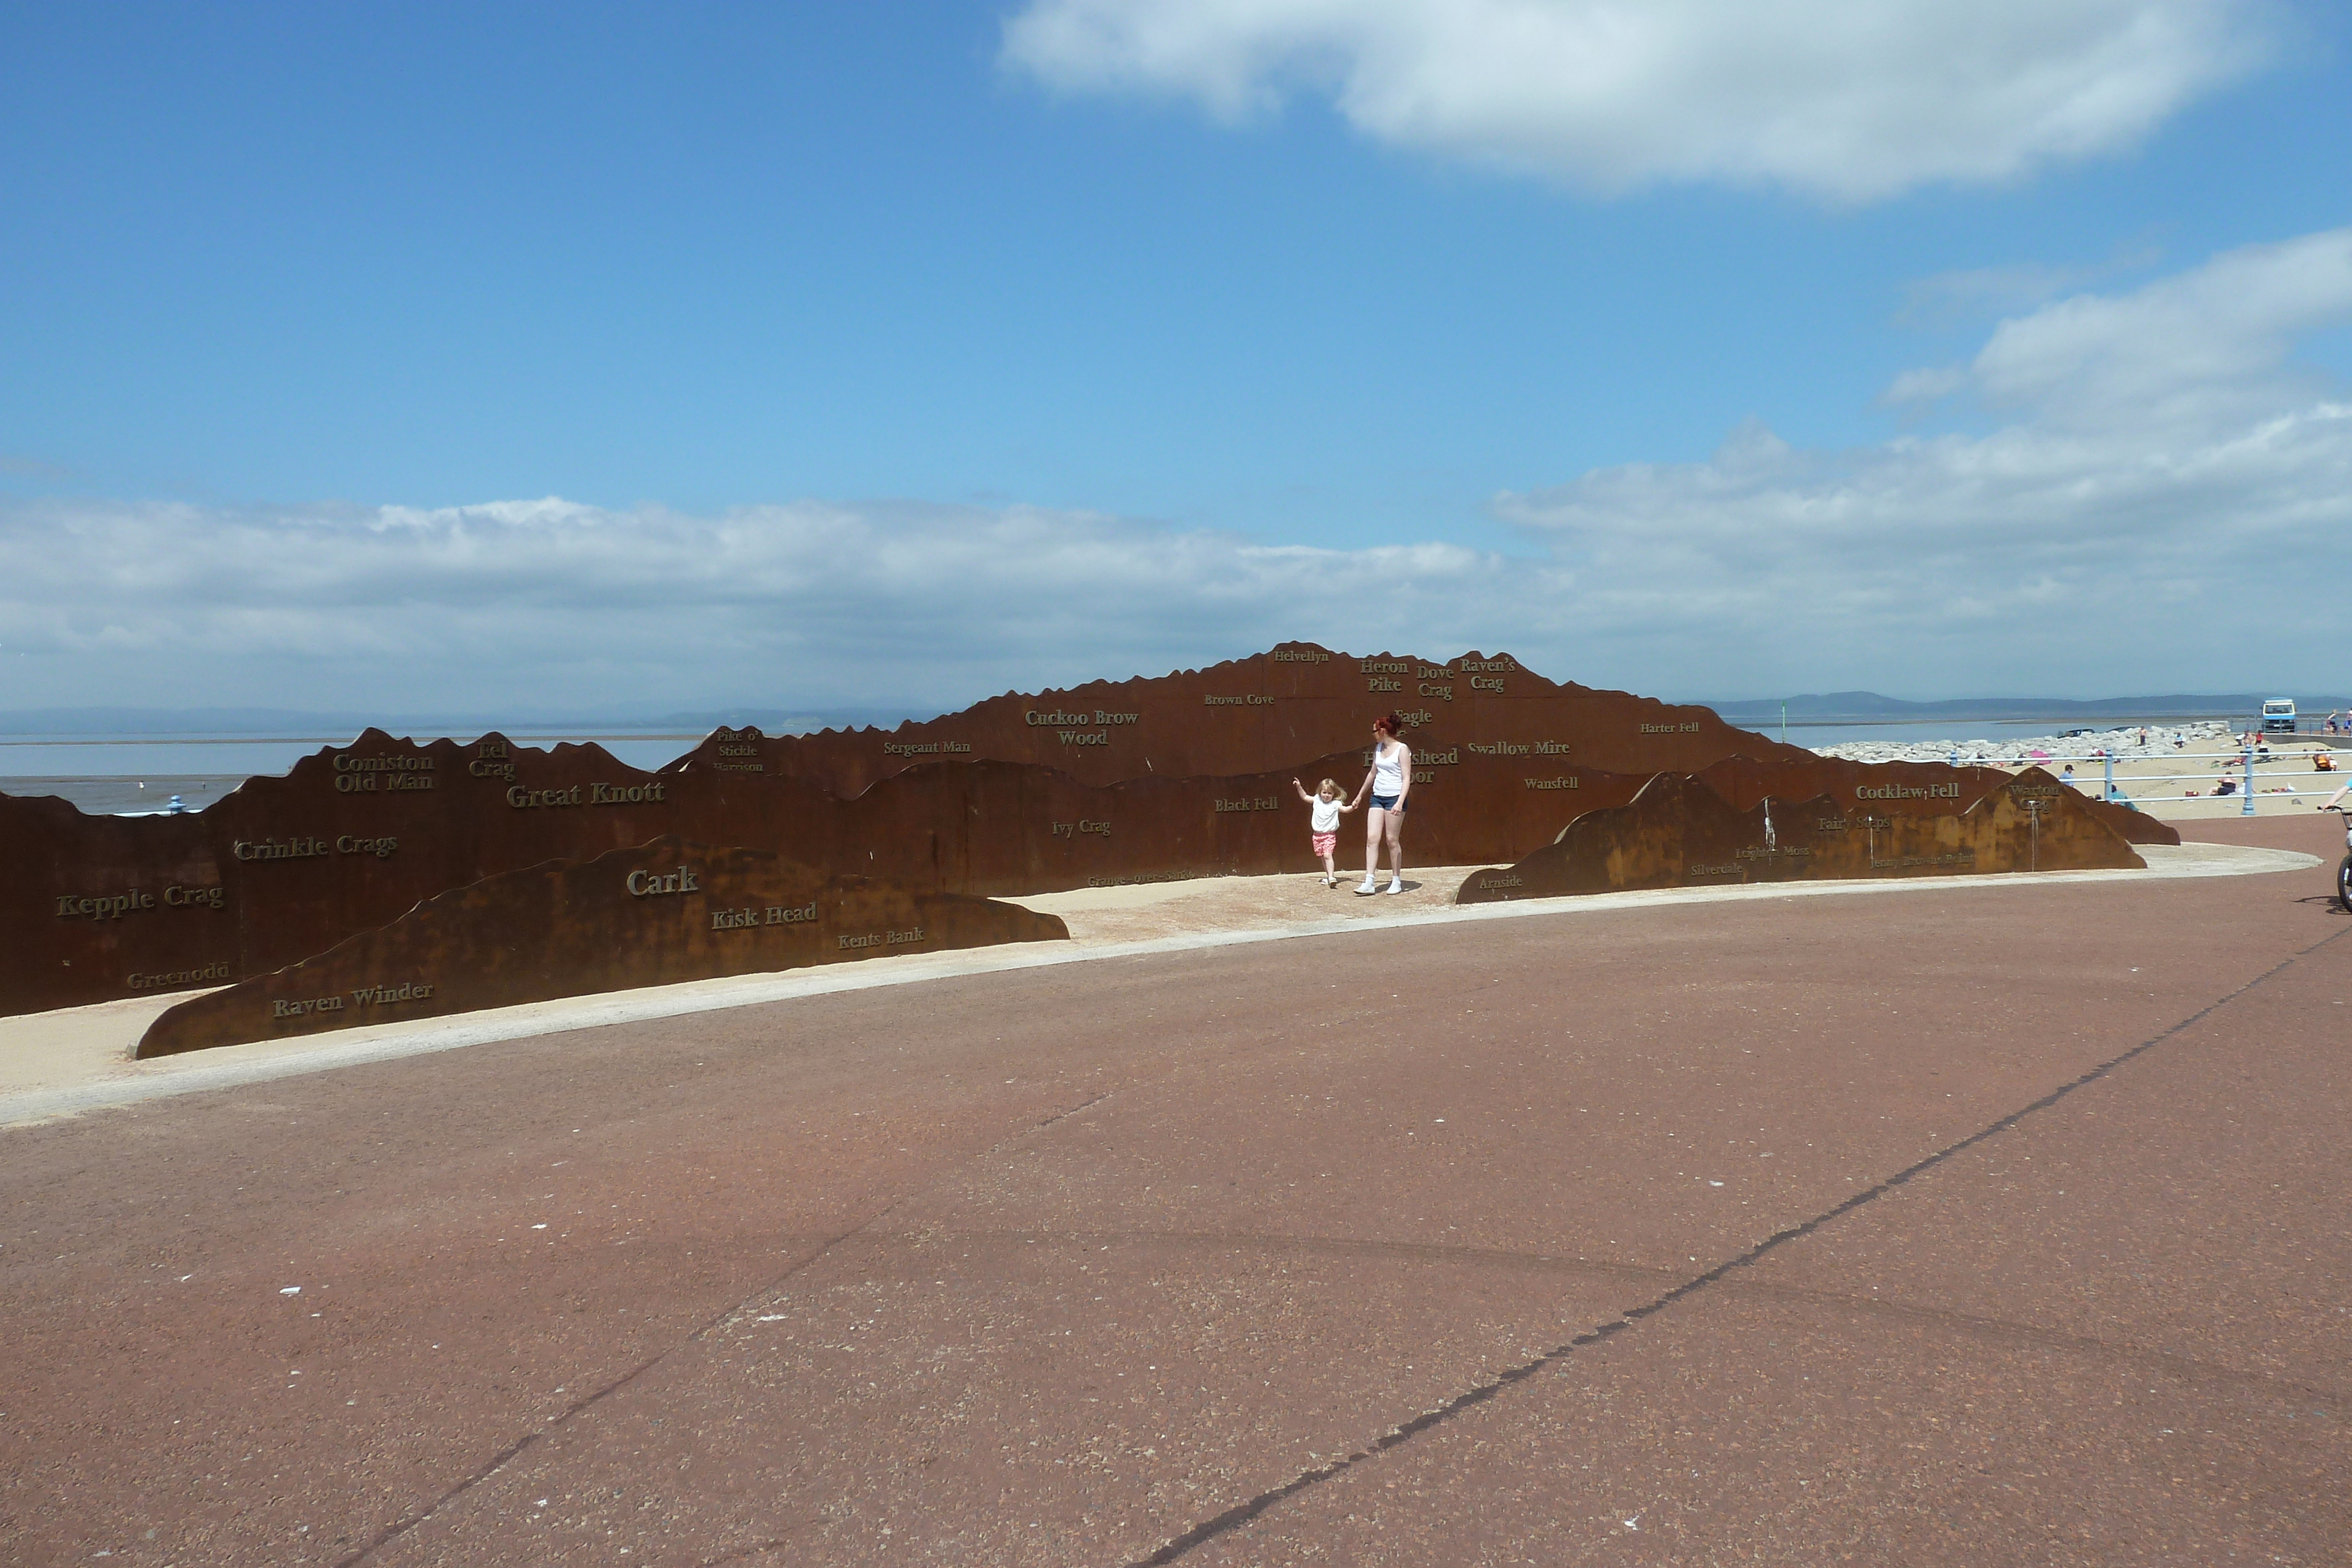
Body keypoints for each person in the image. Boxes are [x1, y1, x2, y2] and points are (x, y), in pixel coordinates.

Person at [1351, 713, 1412, 895]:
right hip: (1378, 796)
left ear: (1383, 731)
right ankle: (1369, 881)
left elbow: (1406, 777)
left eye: (1375, 731)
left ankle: (1396, 880)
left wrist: (1400, 802)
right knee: (1372, 838)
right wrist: (1360, 795)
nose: (1373, 734)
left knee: (1392, 840)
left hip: (1395, 797)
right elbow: (1372, 773)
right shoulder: (1378, 748)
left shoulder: (1402, 749)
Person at [1291, 775, 1357, 887]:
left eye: (1330, 793)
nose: (1326, 796)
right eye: (1324, 793)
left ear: (1334, 794)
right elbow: (1305, 797)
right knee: (1322, 856)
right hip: (1317, 835)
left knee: (1327, 855)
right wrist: (1299, 787)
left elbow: (1345, 810)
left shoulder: (1336, 804)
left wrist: (1353, 807)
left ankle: (1331, 877)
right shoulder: (1317, 800)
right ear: (1320, 792)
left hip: (1329, 835)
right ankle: (1328, 876)